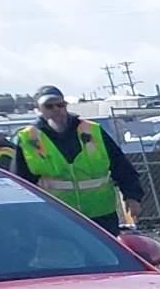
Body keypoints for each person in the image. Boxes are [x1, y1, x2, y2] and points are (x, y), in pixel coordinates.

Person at [11, 87, 145, 233]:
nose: (56, 109)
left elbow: (122, 167)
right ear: (38, 109)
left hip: (101, 213)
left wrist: (132, 196)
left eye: (60, 105)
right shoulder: (29, 139)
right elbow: (20, 182)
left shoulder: (92, 131)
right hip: (58, 215)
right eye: (49, 106)